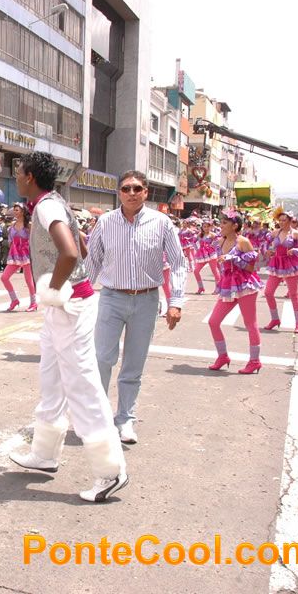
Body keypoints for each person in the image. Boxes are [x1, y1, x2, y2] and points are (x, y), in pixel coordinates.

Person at [6, 152, 128, 502]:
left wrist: (55, 287)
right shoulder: (54, 202)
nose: (16, 177)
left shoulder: (47, 207)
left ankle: (111, 471)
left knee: (81, 385)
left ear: (30, 177)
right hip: (65, 304)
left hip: (69, 304)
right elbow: (83, 247)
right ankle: (44, 453)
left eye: (19, 172)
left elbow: (71, 253)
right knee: (52, 378)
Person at [85, 170, 186, 444]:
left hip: (146, 300)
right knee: (102, 358)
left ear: (146, 192)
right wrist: (77, 297)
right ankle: (98, 418)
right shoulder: (105, 222)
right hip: (112, 298)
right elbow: (92, 261)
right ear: (119, 192)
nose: (131, 193)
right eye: (126, 188)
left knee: (134, 363)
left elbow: (178, 262)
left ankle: (125, 419)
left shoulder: (161, 222)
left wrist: (176, 302)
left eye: (137, 188)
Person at [207, 212, 264, 375]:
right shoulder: (220, 241)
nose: (221, 226)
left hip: (245, 285)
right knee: (213, 321)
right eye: (221, 223)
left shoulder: (243, 242)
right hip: (228, 285)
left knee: (250, 324)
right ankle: (222, 356)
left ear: (235, 226)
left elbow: (251, 268)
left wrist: (234, 259)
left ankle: (255, 361)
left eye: (225, 223)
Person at [262, 208, 298, 333]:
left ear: (290, 221)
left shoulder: (296, 234)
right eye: (280, 220)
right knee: (268, 292)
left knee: (293, 294)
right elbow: (265, 244)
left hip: (291, 264)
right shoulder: (275, 233)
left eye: (284, 220)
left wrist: (297, 250)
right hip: (276, 264)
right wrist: (268, 251)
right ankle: (275, 319)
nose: (281, 222)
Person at [0, 203, 36, 311]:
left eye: (17, 210)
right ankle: (14, 300)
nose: (15, 212)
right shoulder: (12, 225)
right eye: (14, 210)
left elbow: (34, 240)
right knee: (4, 277)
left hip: (26, 254)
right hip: (15, 255)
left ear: (23, 211)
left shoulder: (29, 225)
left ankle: (33, 303)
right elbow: (10, 241)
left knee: (28, 280)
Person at [193, 219, 220, 294]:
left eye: (208, 226)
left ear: (211, 227)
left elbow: (218, 242)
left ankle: (217, 289)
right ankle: (201, 288)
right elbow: (193, 242)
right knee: (196, 271)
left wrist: (212, 247)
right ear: (202, 227)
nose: (206, 228)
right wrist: (197, 249)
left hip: (211, 255)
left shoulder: (213, 235)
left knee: (215, 271)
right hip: (201, 255)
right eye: (204, 227)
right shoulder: (200, 234)